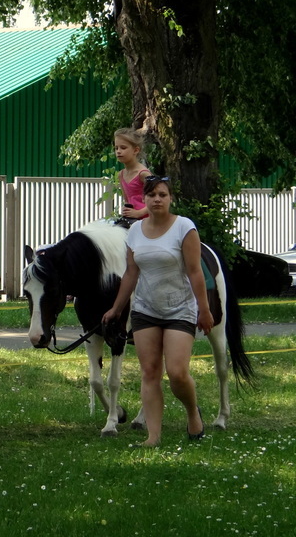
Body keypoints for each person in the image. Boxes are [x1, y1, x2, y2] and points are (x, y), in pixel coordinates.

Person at [102, 176, 214, 447]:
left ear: (170, 198)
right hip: (145, 310)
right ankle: (153, 437)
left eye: (162, 195)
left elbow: (195, 271)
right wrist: (116, 308)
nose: (157, 200)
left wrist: (204, 310)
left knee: (177, 372)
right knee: (150, 372)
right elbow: (131, 272)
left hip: (180, 309)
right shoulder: (135, 231)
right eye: (151, 195)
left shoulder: (184, 227)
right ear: (144, 199)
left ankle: (192, 412)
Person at [114, 128, 151, 223]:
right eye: (116, 148)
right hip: (131, 221)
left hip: (148, 222)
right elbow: (127, 200)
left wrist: (138, 213)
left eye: (123, 148)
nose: (118, 151)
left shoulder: (143, 174)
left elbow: (156, 201)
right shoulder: (121, 175)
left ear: (136, 150)